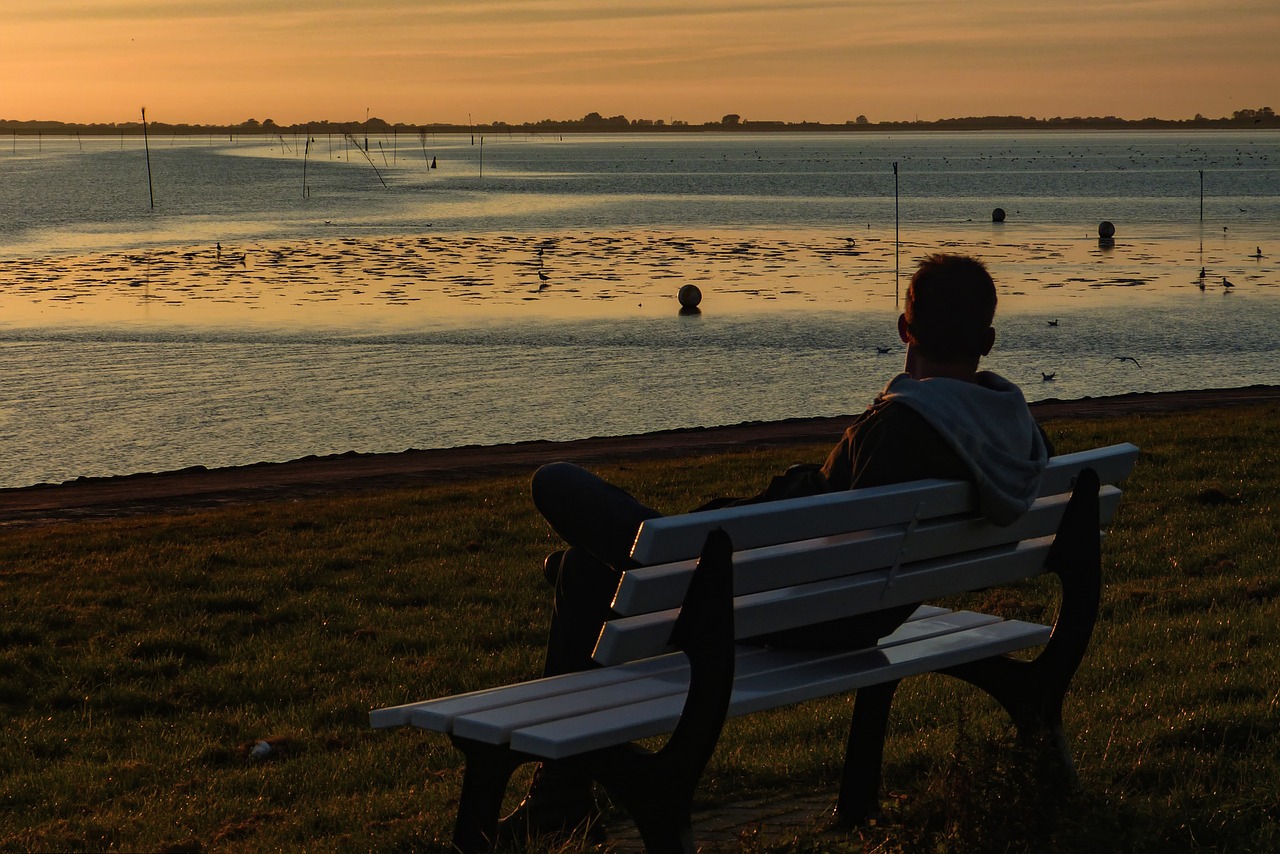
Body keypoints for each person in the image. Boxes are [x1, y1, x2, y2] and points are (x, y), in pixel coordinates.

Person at [500, 253, 1052, 841]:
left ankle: (560, 795)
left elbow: (835, 549)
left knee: (556, 485)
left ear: (903, 328)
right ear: (988, 340)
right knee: (589, 569)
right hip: (858, 602)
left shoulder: (902, 424)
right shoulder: (1013, 429)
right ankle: (563, 783)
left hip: (791, 604)